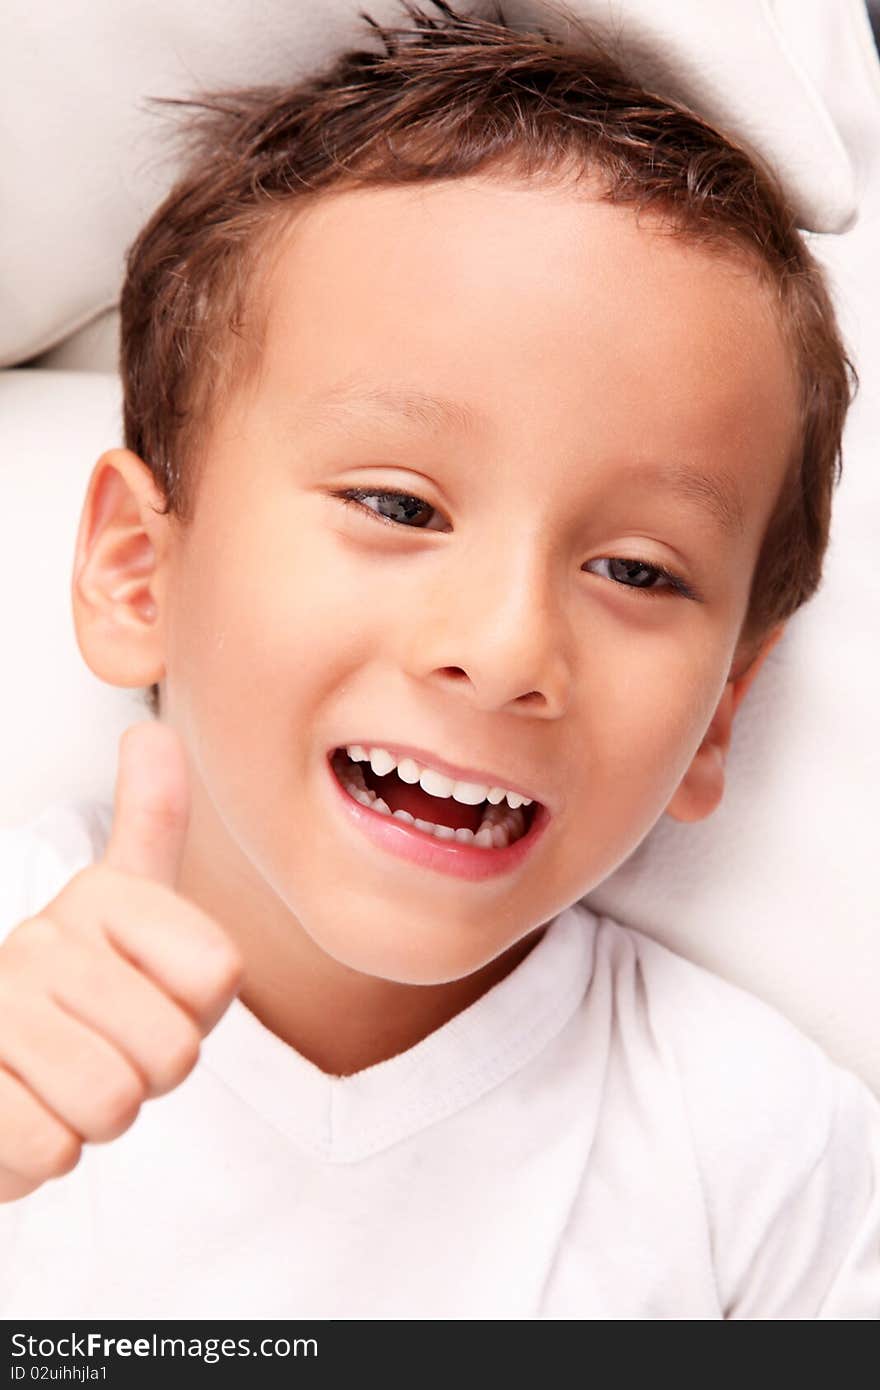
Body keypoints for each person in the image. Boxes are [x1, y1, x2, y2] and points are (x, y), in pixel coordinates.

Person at [0, 0, 877, 1319]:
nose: (506, 646)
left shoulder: (756, 1156)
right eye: (399, 506)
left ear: (716, 721)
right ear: (139, 569)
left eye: (637, 571)